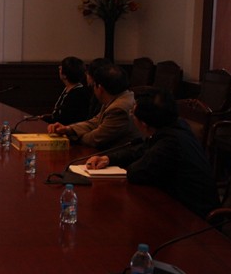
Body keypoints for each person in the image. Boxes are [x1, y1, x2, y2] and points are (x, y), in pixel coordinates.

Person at [85, 88, 220, 218]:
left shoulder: (170, 143)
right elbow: (141, 149)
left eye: (133, 113)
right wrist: (108, 158)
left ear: (144, 124)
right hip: (178, 205)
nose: (131, 115)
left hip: (193, 216)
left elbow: (136, 173)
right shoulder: (174, 126)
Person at [47, 63, 140, 149]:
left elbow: (94, 139)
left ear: (100, 88)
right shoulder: (119, 97)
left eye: (93, 85)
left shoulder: (118, 108)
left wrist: (67, 137)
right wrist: (68, 129)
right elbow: (94, 122)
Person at [41, 56, 91, 125]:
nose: (59, 67)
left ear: (65, 75)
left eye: (61, 68)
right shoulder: (69, 88)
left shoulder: (78, 94)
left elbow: (65, 119)